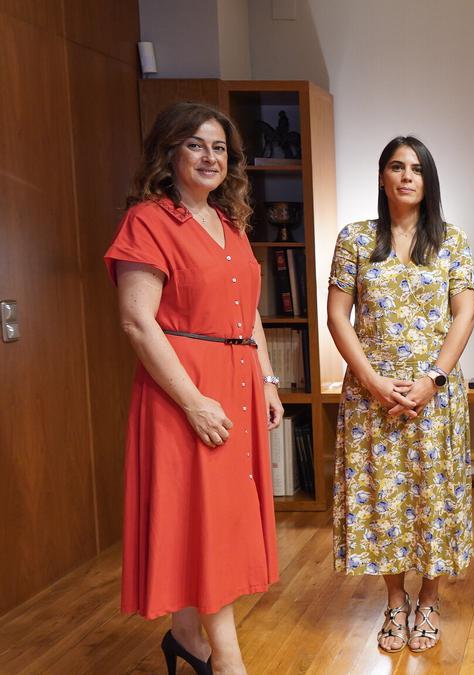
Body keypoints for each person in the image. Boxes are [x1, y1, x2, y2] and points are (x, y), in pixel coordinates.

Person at [106, 101, 282, 675]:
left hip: (236, 382)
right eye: (196, 145)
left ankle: (187, 637)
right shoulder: (148, 221)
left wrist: (268, 379)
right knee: (204, 524)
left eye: (220, 149)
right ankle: (228, 661)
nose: (210, 157)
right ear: (170, 151)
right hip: (187, 390)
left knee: (214, 519)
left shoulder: (229, 224)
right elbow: (137, 321)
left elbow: (248, 311)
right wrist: (193, 401)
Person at [327, 136, 474, 654]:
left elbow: (464, 314)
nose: (407, 176)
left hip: (434, 394)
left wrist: (432, 379)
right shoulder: (355, 239)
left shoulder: (451, 241)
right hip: (373, 395)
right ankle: (395, 601)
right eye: (397, 166)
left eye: (417, 168)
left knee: (431, 497)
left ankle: (429, 600)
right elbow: (336, 316)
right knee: (383, 498)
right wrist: (369, 379)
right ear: (381, 177)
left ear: (428, 180)